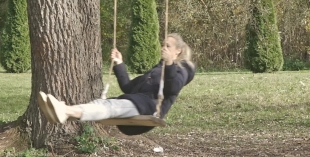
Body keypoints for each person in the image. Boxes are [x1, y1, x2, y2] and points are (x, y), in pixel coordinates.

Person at [38, 33, 195, 134]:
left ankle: (65, 110)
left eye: (168, 46)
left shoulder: (183, 69)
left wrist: (169, 64)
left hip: (149, 108)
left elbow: (173, 88)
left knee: (109, 107)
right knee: (103, 103)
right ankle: (63, 112)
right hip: (136, 103)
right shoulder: (156, 70)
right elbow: (128, 87)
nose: (163, 48)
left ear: (178, 51)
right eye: (163, 44)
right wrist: (119, 63)